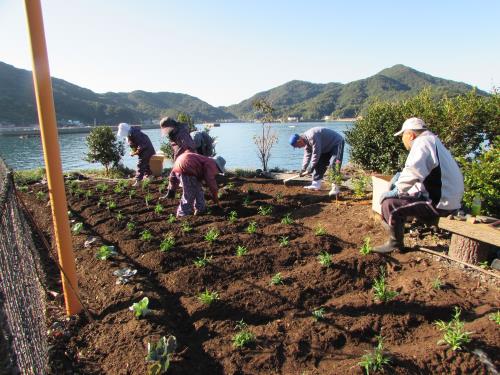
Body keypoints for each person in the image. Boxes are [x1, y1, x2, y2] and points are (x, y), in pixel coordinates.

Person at [373, 117, 464, 254]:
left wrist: (397, 190)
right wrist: (402, 185)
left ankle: (395, 243)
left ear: (410, 135)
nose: (402, 140)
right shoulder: (432, 141)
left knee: (389, 204)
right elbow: (422, 176)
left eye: (402, 136)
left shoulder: (422, 143)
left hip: (439, 203)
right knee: (404, 198)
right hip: (448, 199)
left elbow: (413, 171)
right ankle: (401, 232)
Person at [164, 152, 226, 217]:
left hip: (179, 165)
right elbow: (211, 182)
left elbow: (173, 173)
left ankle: (201, 209)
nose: (217, 173)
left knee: (198, 189)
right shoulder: (212, 164)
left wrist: (172, 188)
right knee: (189, 194)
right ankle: (182, 214)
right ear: (218, 167)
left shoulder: (204, 159)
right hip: (187, 170)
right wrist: (216, 199)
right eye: (219, 171)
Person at [289, 127, 345, 194]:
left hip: (336, 143)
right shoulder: (306, 143)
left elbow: (316, 153)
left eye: (297, 146)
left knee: (334, 164)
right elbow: (307, 155)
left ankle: (335, 188)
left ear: (300, 140)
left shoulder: (312, 136)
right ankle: (316, 184)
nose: (298, 148)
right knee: (319, 164)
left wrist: (311, 167)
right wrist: (303, 169)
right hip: (325, 147)